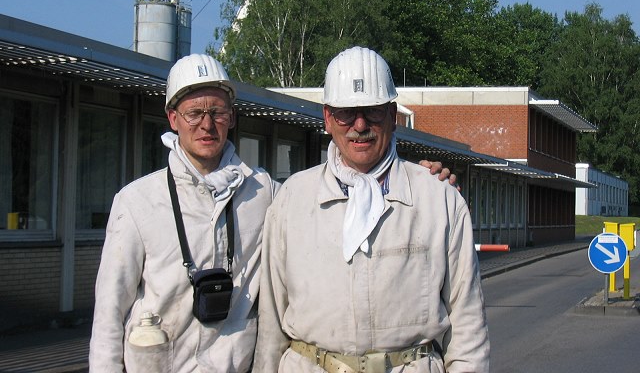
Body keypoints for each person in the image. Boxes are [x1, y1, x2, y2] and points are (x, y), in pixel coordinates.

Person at [89, 53, 455, 373]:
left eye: (217, 112)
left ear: (231, 118)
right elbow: (108, 316)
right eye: (194, 113)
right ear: (172, 118)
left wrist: (418, 178)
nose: (206, 123)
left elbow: (338, 194)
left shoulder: (264, 193)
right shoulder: (136, 203)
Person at [254, 47, 490, 373]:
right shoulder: (292, 200)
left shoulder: (439, 200)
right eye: (345, 113)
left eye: (372, 111)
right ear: (327, 118)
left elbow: (467, 327)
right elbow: (271, 321)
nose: (359, 124)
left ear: (393, 115)